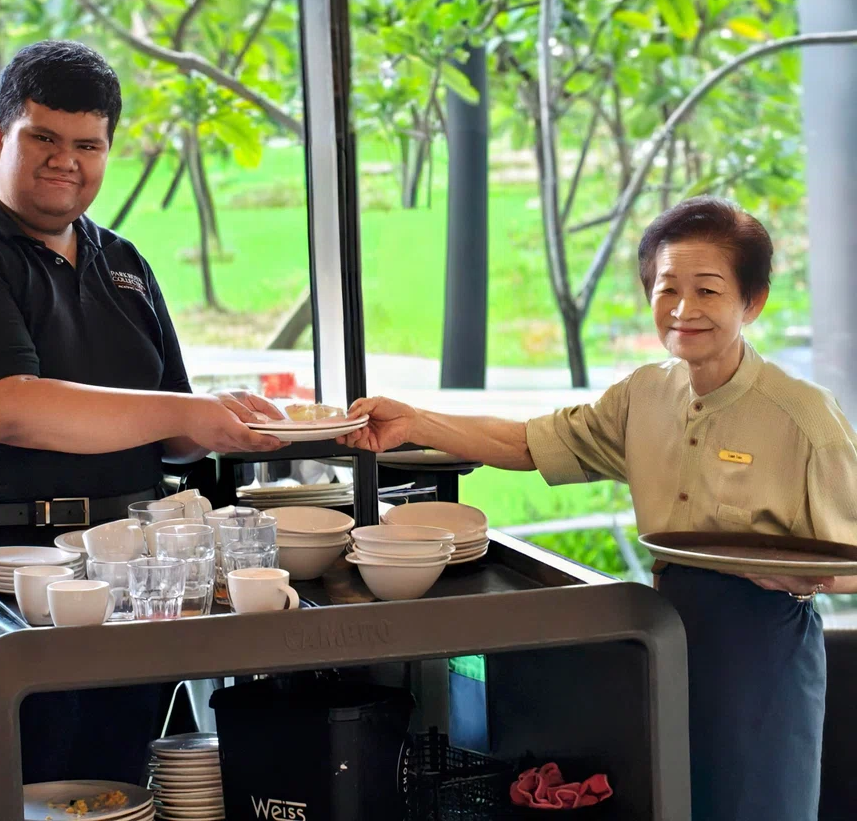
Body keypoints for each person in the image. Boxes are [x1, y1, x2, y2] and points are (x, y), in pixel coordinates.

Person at [344, 197, 857, 821]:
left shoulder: (804, 416)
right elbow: (528, 443)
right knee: (674, 801)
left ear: (753, 302)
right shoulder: (645, 394)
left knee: (757, 804)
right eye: (667, 289)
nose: (684, 309)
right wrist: (416, 422)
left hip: (763, 648)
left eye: (707, 290)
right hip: (663, 634)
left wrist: (808, 577)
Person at [0, 40, 282, 778]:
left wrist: (227, 424)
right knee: (8, 790)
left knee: (117, 789)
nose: (64, 161)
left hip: (126, 576)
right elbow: (2, 408)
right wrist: (183, 414)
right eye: (42, 137)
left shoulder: (124, 262)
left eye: (87, 145)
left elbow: (173, 431)